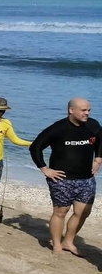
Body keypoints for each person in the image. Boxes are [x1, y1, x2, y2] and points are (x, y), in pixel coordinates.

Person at [29, 98, 102, 257]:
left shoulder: (93, 125)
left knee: (83, 212)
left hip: (86, 178)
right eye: (83, 110)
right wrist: (45, 169)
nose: (87, 113)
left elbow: (101, 140)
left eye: (89, 110)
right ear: (71, 110)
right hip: (61, 179)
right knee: (61, 212)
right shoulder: (58, 128)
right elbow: (36, 147)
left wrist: (98, 159)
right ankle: (56, 245)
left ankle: (68, 241)